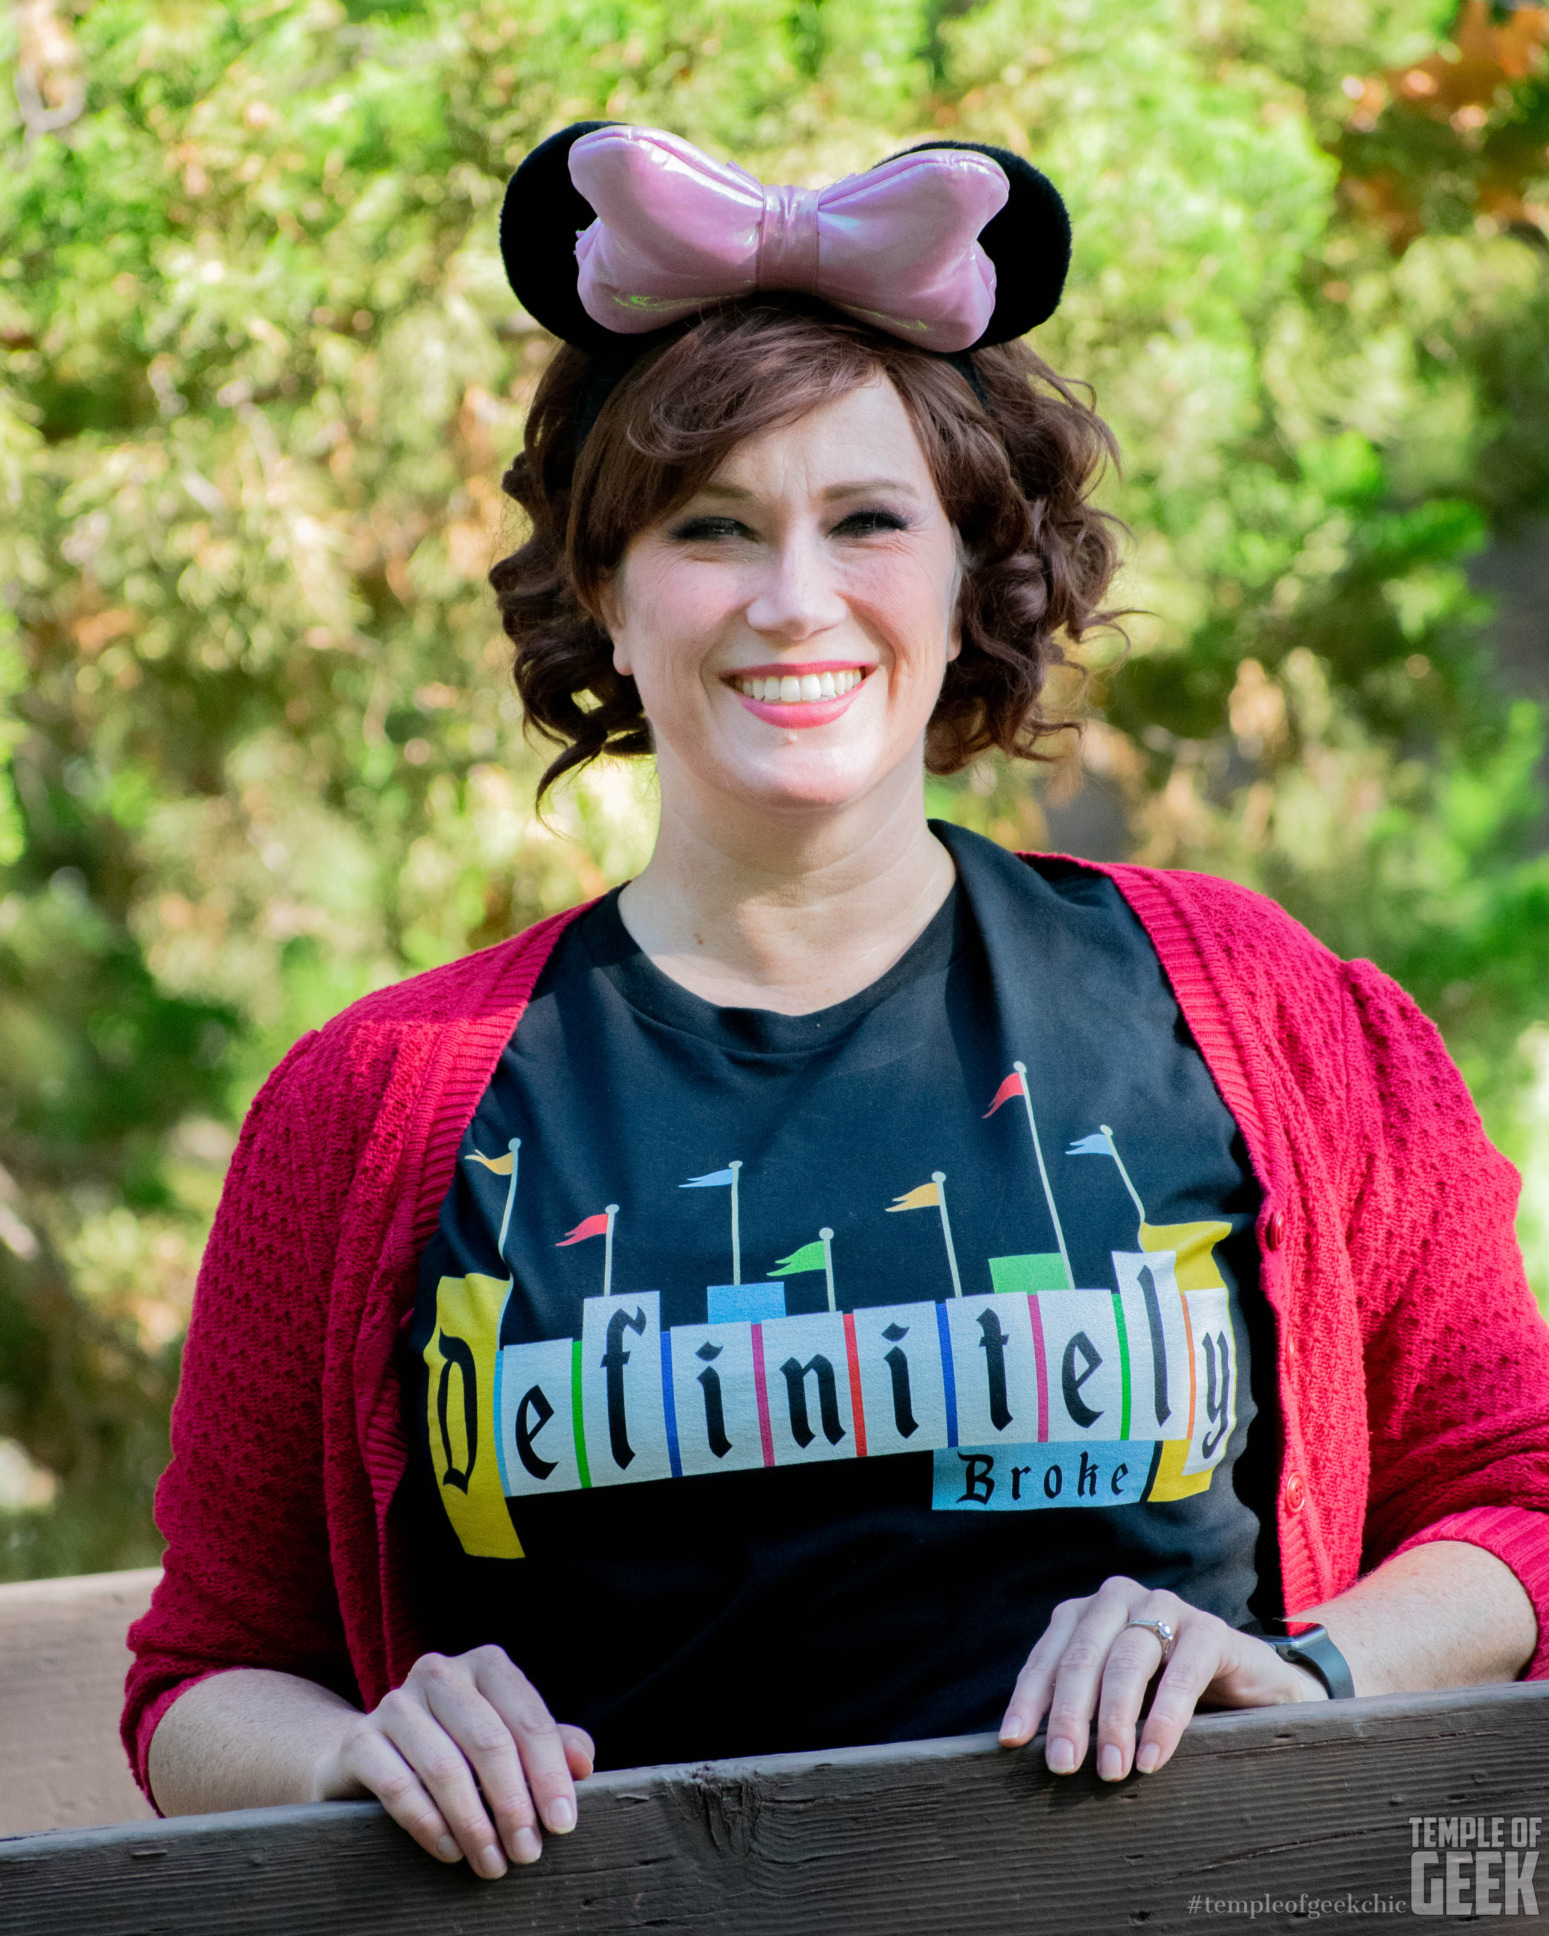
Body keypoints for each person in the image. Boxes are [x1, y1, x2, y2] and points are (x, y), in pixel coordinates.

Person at [126, 121, 1549, 1882]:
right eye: (711, 528)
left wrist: (1304, 1669)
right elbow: (201, 1677)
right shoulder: (376, 1103)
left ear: (968, 579)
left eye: (866, 521)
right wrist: (357, 1746)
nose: (794, 602)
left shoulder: (1267, 1017)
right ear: (605, 593)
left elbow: (1515, 1502)